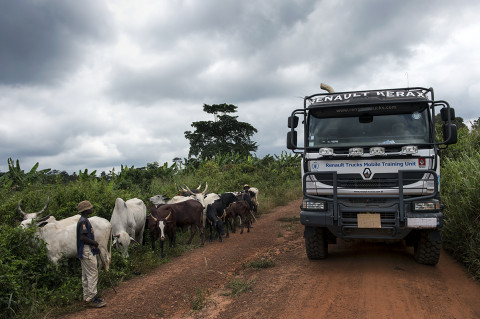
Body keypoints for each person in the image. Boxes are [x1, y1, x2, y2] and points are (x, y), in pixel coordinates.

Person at [76, 200, 107, 308]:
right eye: (90, 207)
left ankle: (86, 297)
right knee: (93, 274)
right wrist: (94, 243)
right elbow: (83, 237)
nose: (92, 209)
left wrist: (94, 247)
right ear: (86, 210)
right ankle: (92, 299)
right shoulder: (84, 221)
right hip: (86, 250)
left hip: (85, 250)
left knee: (85, 275)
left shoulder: (83, 220)